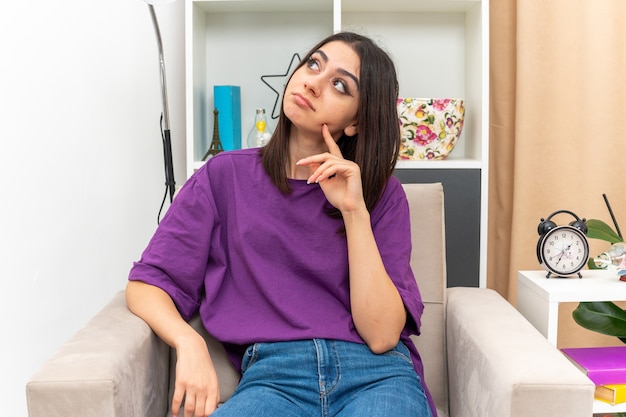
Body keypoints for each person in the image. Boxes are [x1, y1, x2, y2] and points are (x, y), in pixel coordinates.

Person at [126, 31, 435, 417]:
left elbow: (381, 335)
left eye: (339, 85)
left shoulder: (380, 195)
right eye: (313, 64)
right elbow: (146, 285)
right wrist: (189, 343)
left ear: (355, 122)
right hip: (274, 379)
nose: (313, 82)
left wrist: (354, 212)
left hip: (377, 375)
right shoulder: (223, 177)